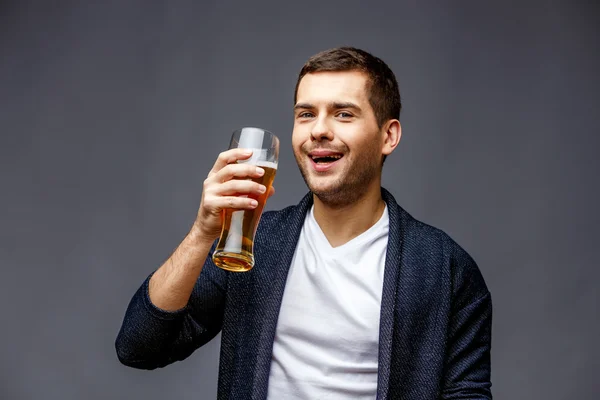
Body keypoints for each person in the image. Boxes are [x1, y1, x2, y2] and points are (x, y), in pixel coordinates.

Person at [116, 47, 492, 399]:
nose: (318, 130)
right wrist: (202, 233)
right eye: (306, 114)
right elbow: (139, 347)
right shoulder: (255, 245)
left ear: (388, 136)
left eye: (343, 113)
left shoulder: (445, 268)